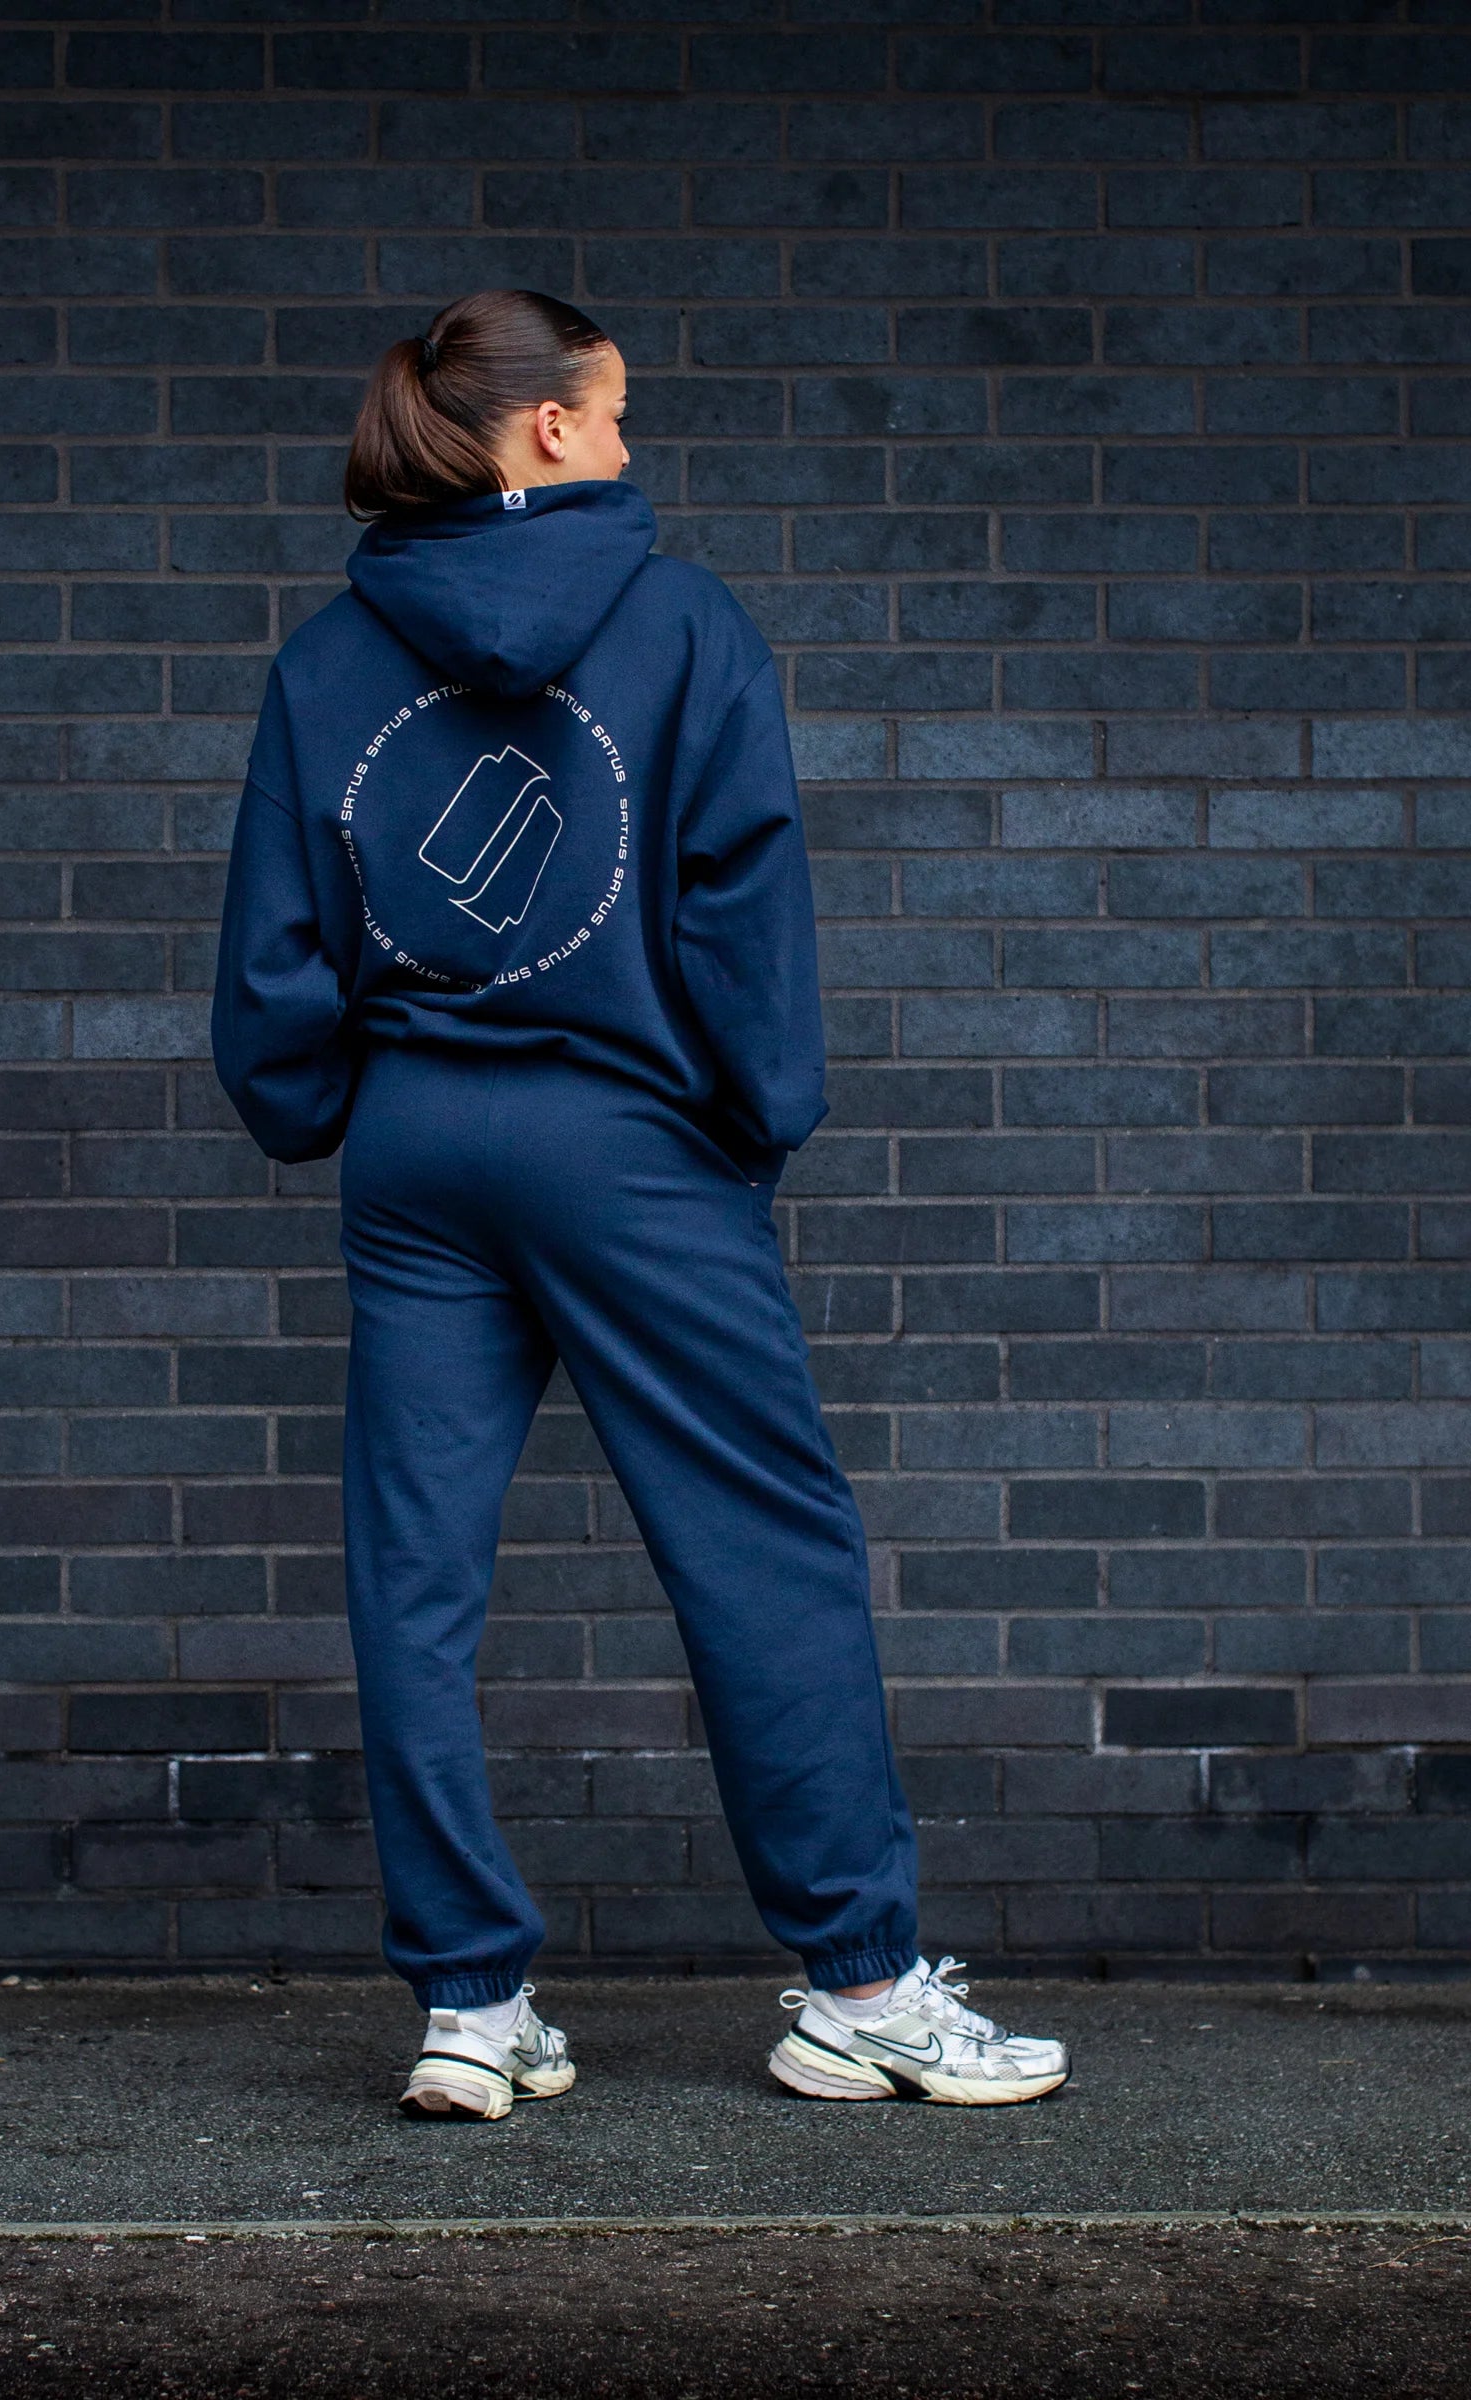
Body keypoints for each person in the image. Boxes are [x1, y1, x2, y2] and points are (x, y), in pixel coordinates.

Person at [213, 289, 1068, 2119]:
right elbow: (744, 901)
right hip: (630, 1148)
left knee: (415, 1580)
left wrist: (334, 1109)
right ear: (543, 431)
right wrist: (751, 1126)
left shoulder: (324, 659)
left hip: (415, 1148)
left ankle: (469, 2004)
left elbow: (277, 962)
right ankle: (858, 1986)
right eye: (612, 416)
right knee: (765, 1551)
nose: (627, 446)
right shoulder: (682, 622)